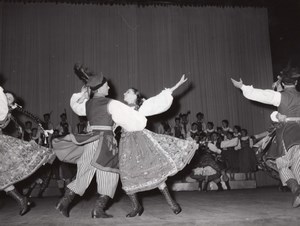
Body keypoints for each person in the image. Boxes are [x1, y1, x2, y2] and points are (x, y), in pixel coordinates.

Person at [53, 67, 147, 218]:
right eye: (107, 85)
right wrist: (140, 120)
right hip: (106, 144)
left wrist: (82, 94)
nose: (109, 87)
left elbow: (75, 106)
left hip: (91, 141)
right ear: (100, 88)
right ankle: (98, 209)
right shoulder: (111, 103)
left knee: (83, 173)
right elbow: (130, 118)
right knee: (110, 176)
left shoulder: (88, 104)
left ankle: (64, 203)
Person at [119, 75, 198, 217]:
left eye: (128, 92)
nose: (124, 93)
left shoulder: (142, 107)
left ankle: (172, 203)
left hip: (142, 143)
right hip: (126, 146)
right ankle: (136, 206)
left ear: (135, 96)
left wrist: (177, 85)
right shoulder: (120, 111)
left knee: (155, 171)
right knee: (126, 174)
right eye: (125, 92)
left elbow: (159, 100)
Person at [231, 71, 300, 208]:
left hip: (287, 135)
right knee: (298, 167)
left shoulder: (280, 96)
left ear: (283, 83)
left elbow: (259, 94)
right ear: (296, 83)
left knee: (283, 165)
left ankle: (296, 191)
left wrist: (242, 87)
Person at [0, 87, 54, 216]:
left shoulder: (4, 111)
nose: (7, 97)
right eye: (7, 96)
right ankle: (21, 199)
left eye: (9, 98)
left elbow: (3, 117)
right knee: (2, 178)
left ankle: (21, 199)